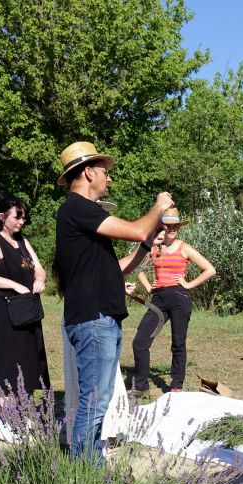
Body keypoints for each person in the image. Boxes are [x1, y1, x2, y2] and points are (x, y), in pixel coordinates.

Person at [53, 141, 170, 459]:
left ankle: (89, 470)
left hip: (99, 318)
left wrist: (147, 245)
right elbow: (134, 229)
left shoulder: (82, 216)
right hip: (93, 319)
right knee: (94, 402)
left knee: (98, 401)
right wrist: (159, 207)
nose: (110, 178)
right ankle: (82, 475)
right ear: (88, 172)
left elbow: (118, 267)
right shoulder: (77, 207)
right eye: (106, 172)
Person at [0, 196, 50, 428]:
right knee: (5, 362)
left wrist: (39, 280)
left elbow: (39, 268)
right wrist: (14, 285)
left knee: (24, 360)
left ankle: (19, 413)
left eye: (24, 217)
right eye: (18, 216)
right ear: (2, 216)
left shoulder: (21, 241)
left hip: (22, 310)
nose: (22, 221)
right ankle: (7, 421)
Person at [132, 209, 216, 394]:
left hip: (179, 297)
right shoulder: (154, 247)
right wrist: (148, 287)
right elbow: (138, 267)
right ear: (161, 226)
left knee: (178, 343)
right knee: (140, 341)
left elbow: (210, 269)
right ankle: (140, 387)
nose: (172, 228)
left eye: (175, 225)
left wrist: (188, 284)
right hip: (158, 298)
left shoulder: (184, 247)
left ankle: (176, 385)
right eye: (168, 225)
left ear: (179, 227)